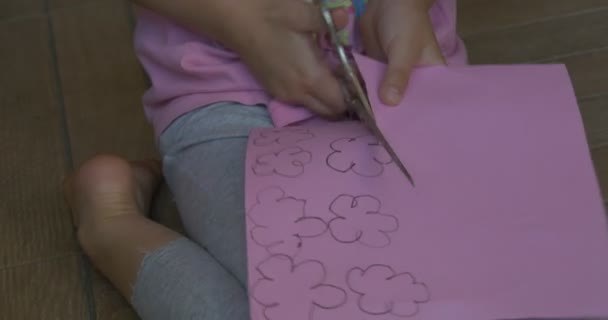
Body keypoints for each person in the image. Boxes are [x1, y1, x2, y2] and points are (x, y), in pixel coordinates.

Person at [63, 0, 468, 319]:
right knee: (300, 297)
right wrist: (238, 17)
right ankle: (113, 228)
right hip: (231, 97)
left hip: (407, 72)